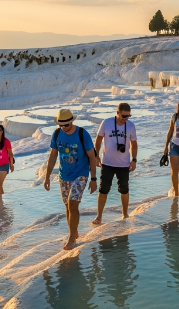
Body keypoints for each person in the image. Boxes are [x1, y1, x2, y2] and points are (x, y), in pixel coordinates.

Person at [43, 109, 98, 250]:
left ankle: (72, 238)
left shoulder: (82, 134)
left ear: (72, 121)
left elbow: (92, 157)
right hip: (64, 175)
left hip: (81, 173)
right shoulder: (56, 134)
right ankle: (73, 231)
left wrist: (93, 178)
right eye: (61, 125)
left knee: (73, 205)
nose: (64, 128)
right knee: (67, 207)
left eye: (66, 125)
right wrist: (47, 176)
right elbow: (53, 156)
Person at [92, 103, 138, 224]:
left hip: (124, 164)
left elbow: (134, 144)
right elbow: (98, 139)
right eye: (124, 116)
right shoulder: (106, 123)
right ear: (118, 113)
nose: (126, 119)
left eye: (128, 116)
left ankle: (125, 214)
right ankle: (99, 216)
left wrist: (134, 159)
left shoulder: (131, 126)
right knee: (103, 189)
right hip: (107, 162)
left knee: (124, 189)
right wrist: (96, 156)